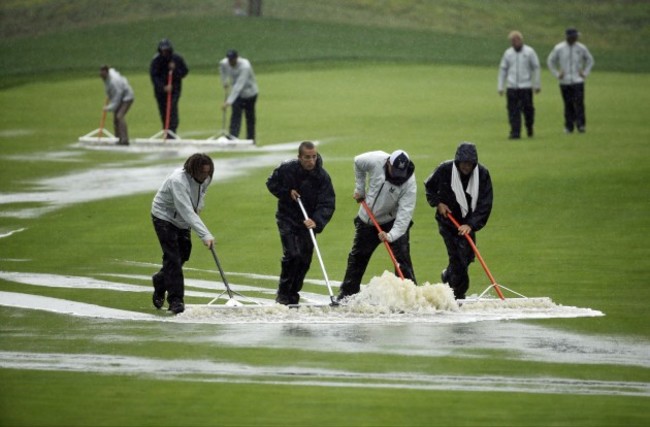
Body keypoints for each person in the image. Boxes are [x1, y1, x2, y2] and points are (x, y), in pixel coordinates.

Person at [337, 150, 417, 301]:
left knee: (402, 260)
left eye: (401, 172)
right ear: (388, 163)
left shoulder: (409, 184)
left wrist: (390, 235)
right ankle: (346, 296)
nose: (397, 176)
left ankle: (409, 298)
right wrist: (360, 189)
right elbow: (357, 162)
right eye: (394, 170)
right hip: (367, 219)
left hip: (392, 221)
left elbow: (404, 216)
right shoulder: (375, 160)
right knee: (358, 258)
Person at [266, 141, 336, 305]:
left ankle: (293, 294)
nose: (311, 161)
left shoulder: (322, 177)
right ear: (299, 157)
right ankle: (283, 293)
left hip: (308, 222)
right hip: (287, 218)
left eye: (313, 157)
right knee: (292, 254)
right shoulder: (286, 168)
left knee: (304, 260)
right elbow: (271, 183)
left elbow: (327, 203)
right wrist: (286, 192)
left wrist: (316, 221)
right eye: (307, 157)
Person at [424, 142, 493, 300]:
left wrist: (471, 224)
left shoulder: (482, 174)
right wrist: (438, 203)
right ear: (458, 161)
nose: (466, 167)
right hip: (448, 221)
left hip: (468, 222)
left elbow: (485, 203)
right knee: (458, 257)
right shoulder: (445, 169)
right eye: (463, 163)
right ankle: (458, 294)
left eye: (469, 164)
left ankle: (447, 276)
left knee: (467, 256)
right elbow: (429, 187)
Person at [151, 153, 215, 314]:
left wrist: (198, 206)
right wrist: (205, 235)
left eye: (207, 172)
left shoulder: (206, 177)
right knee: (173, 258)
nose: (205, 176)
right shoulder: (177, 181)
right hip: (164, 217)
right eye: (202, 173)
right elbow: (186, 210)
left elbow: (201, 194)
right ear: (192, 170)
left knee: (184, 254)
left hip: (182, 219)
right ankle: (175, 300)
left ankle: (160, 280)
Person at [547, 28, 595, 134]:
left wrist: (585, 73)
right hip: (565, 81)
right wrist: (557, 74)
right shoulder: (559, 48)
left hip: (578, 80)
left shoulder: (581, 48)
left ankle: (581, 125)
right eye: (574, 36)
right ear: (568, 36)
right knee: (568, 104)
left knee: (579, 103)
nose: (576, 38)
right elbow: (550, 61)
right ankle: (569, 126)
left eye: (576, 36)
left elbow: (590, 60)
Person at [497, 31, 541, 139]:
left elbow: (536, 67)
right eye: (512, 41)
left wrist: (537, 84)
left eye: (516, 40)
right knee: (512, 110)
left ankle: (529, 127)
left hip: (525, 86)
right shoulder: (508, 53)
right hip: (512, 87)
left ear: (521, 40)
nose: (514, 43)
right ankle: (515, 132)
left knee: (528, 110)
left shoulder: (529, 52)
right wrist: (500, 86)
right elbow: (503, 69)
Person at [149, 38, 189, 137]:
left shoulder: (177, 59)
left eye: (166, 50)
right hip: (161, 92)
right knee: (163, 110)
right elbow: (154, 77)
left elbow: (184, 72)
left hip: (175, 90)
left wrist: (175, 70)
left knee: (172, 109)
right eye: (163, 50)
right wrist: (163, 87)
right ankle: (166, 130)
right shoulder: (156, 61)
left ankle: (172, 131)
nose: (165, 52)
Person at [219, 49, 259, 142]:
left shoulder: (245, 66)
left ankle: (251, 138)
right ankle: (233, 136)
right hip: (237, 95)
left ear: (237, 58)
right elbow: (222, 69)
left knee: (250, 117)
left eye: (232, 60)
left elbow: (239, 85)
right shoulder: (224, 63)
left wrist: (228, 102)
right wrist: (224, 81)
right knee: (235, 115)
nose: (230, 62)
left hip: (250, 93)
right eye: (229, 60)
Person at [99, 65, 134, 145]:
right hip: (121, 96)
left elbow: (117, 97)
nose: (101, 75)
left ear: (106, 72)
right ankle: (118, 138)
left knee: (119, 116)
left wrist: (109, 107)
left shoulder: (113, 82)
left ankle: (124, 140)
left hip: (127, 97)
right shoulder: (108, 77)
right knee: (115, 118)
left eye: (102, 73)